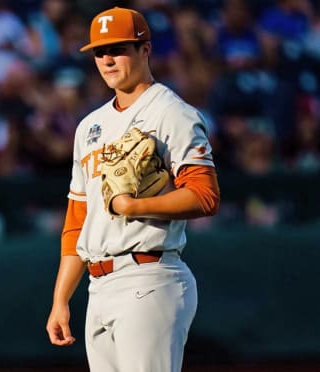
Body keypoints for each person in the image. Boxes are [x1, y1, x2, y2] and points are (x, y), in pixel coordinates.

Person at [45, 7, 220, 372]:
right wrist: (61, 299)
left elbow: (205, 196)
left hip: (150, 275)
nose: (107, 59)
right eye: (99, 51)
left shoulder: (172, 113)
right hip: (99, 286)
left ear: (145, 49)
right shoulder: (89, 126)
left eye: (119, 48)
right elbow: (78, 218)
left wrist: (133, 207)